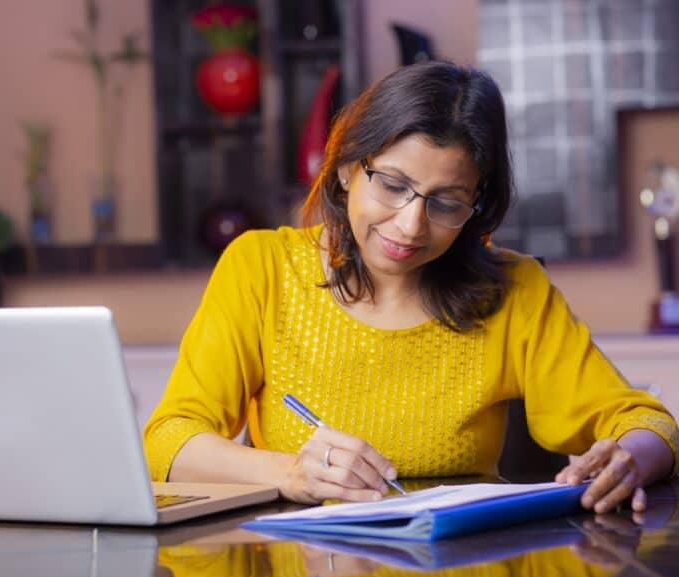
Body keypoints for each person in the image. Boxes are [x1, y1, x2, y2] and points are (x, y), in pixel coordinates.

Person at [144, 61, 678, 512]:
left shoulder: (516, 290)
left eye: (446, 202)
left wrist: (631, 458)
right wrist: (290, 472)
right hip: (304, 569)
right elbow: (168, 442)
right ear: (348, 167)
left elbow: (649, 424)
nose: (410, 226)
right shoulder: (262, 268)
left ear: (476, 205)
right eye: (393, 185)